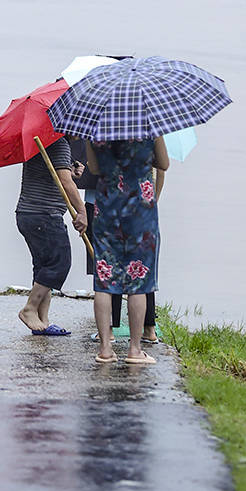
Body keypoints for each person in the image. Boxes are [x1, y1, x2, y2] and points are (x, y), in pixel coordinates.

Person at [89, 137, 169, 365]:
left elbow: (94, 168)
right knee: (138, 280)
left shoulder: (96, 124)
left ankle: (105, 348)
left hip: (107, 208)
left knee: (104, 278)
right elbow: (163, 164)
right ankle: (135, 349)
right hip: (140, 211)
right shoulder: (148, 124)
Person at [71, 140, 158, 345]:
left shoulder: (98, 129)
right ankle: (145, 334)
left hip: (103, 203)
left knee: (106, 272)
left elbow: (92, 168)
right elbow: (162, 165)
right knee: (141, 272)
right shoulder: (147, 129)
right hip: (139, 207)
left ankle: (107, 338)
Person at [15, 134, 88, 336]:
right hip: (44, 215)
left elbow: (54, 174)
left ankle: (42, 320)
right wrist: (82, 212)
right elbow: (65, 184)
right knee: (59, 264)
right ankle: (29, 309)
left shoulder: (40, 141)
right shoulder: (60, 144)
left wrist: (70, 171)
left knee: (43, 268)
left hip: (27, 214)